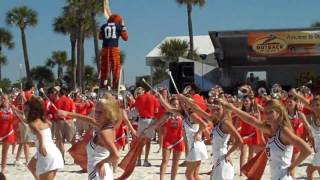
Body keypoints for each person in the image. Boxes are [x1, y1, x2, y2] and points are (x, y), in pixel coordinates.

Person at [222, 98, 312, 179]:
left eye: (270, 112)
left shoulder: (284, 131)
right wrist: (233, 108)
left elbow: (307, 150)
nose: (267, 115)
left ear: (279, 112)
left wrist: (292, 166)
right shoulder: (271, 130)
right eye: (265, 112)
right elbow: (251, 120)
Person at [179, 94, 243, 180]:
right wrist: (185, 99)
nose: (215, 112)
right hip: (217, 162)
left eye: (218, 109)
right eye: (213, 110)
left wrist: (228, 154)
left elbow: (239, 140)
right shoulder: (215, 121)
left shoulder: (226, 123)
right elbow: (197, 109)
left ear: (224, 109)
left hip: (223, 162)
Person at [57, 93, 121, 180]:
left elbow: (116, 155)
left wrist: (100, 163)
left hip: (99, 172)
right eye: (96, 112)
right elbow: (89, 120)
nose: (96, 115)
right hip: (102, 170)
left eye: (100, 113)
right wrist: (67, 113)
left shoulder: (104, 132)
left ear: (108, 114)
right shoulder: (107, 126)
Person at [144, 96, 185, 180]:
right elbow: (157, 123)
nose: (175, 106)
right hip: (168, 141)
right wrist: (147, 129)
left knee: (175, 163)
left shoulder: (181, 114)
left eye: (177, 104)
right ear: (170, 104)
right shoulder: (167, 115)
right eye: (173, 104)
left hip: (179, 141)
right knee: (164, 161)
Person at [24, 96, 64, 180]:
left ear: (33, 111)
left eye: (26, 110)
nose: (24, 112)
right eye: (24, 110)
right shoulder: (44, 120)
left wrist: (41, 144)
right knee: (31, 166)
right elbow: (49, 125)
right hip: (54, 152)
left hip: (46, 154)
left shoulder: (32, 123)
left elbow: (39, 134)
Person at [99, 14, 128, 90]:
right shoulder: (119, 27)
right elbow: (125, 38)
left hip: (105, 48)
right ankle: (115, 84)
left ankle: (104, 83)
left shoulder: (103, 26)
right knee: (115, 66)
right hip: (114, 48)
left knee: (104, 66)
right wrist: (123, 27)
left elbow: (100, 37)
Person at [0, 95, 16, 173]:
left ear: (8, 100)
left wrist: (15, 110)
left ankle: (3, 168)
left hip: (8, 133)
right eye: (2, 99)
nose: (3, 100)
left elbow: (17, 120)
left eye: (5, 99)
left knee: (4, 151)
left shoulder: (12, 109)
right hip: (0, 132)